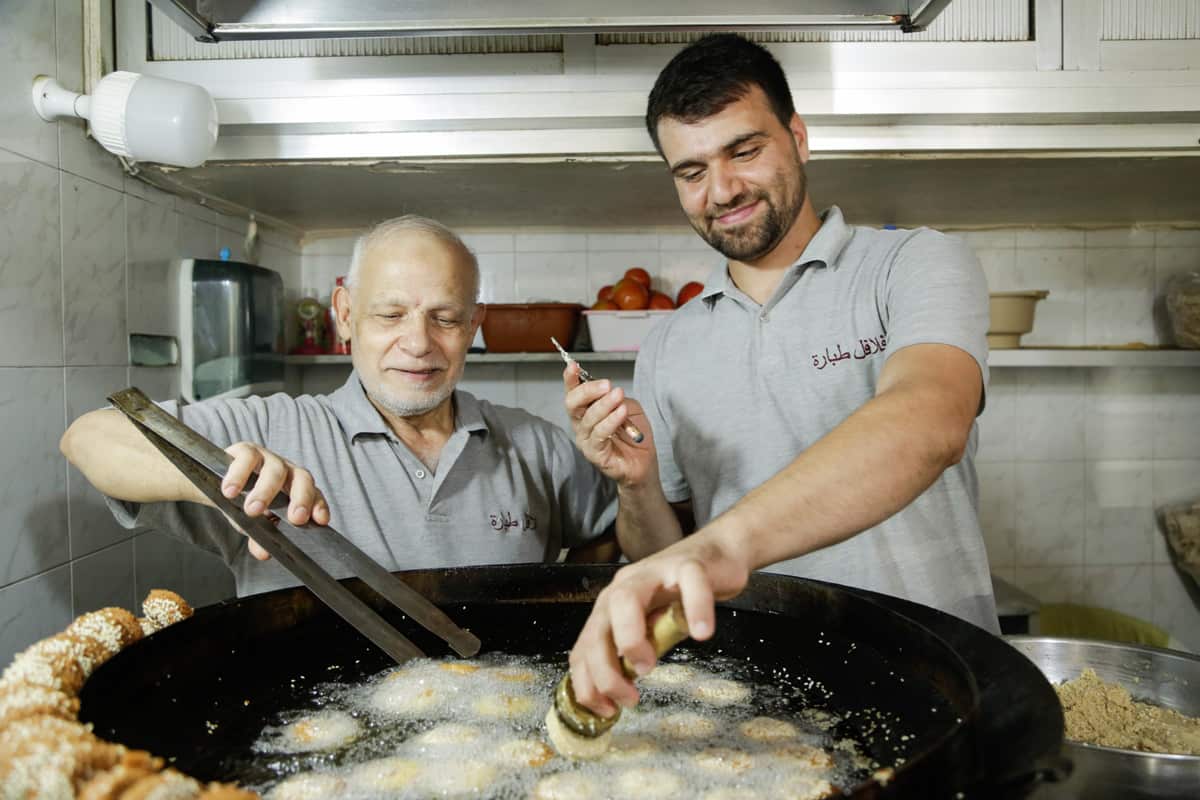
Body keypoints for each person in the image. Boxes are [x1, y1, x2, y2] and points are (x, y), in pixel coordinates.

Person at [563, 33, 997, 717]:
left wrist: (724, 546)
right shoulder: (669, 342)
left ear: (797, 136)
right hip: (759, 701)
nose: (723, 189)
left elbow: (930, 419)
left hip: (932, 674)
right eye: (691, 171)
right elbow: (666, 556)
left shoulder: (914, 265)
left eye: (745, 150)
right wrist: (638, 486)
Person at [62, 216, 618, 596]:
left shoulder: (533, 443)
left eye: (445, 318)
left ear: (473, 326)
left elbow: (610, 537)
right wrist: (225, 477)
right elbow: (89, 437)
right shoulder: (273, 427)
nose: (419, 342)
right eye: (389, 314)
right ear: (345, 315)